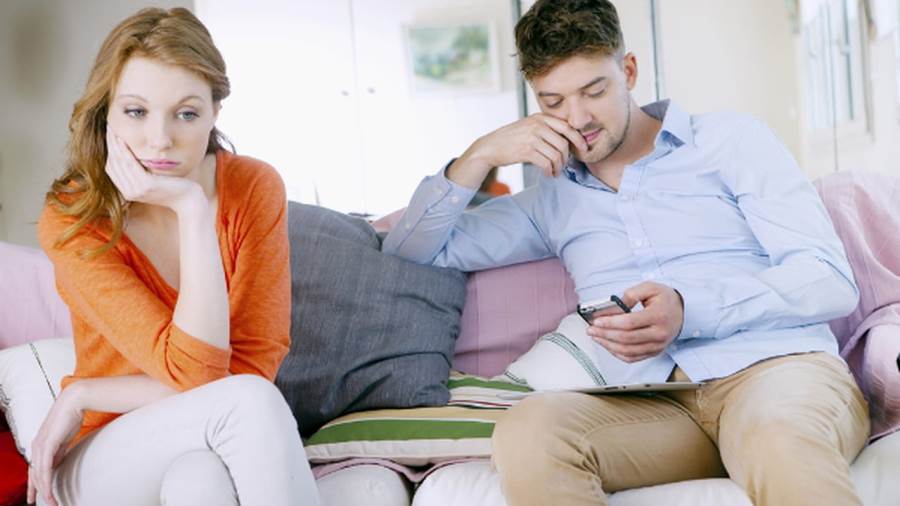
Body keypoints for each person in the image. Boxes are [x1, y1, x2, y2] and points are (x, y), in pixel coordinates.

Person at [382, 1, 869, 505]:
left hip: (777, 375)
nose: (578, 119)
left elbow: (829, 279)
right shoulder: (551, 202)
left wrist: (689, 309)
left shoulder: (730, 141)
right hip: (659, 406)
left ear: (629, 71)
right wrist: (479, 154)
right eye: (553, 101)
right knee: (528, 431)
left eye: (594, 91)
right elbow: (411, 251)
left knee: (777, 437)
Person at [32, 8, 319, 506]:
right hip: (102, 450)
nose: (160, 140)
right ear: (107, 112)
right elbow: (211, 380)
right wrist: (190, 206)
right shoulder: (74, 216)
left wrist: (84, 392)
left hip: (205, 433)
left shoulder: (252, 187)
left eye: (185, 114)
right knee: (247, 403)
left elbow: (252, 366)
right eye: (136, 112)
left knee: (200, 480)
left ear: (215, 113)